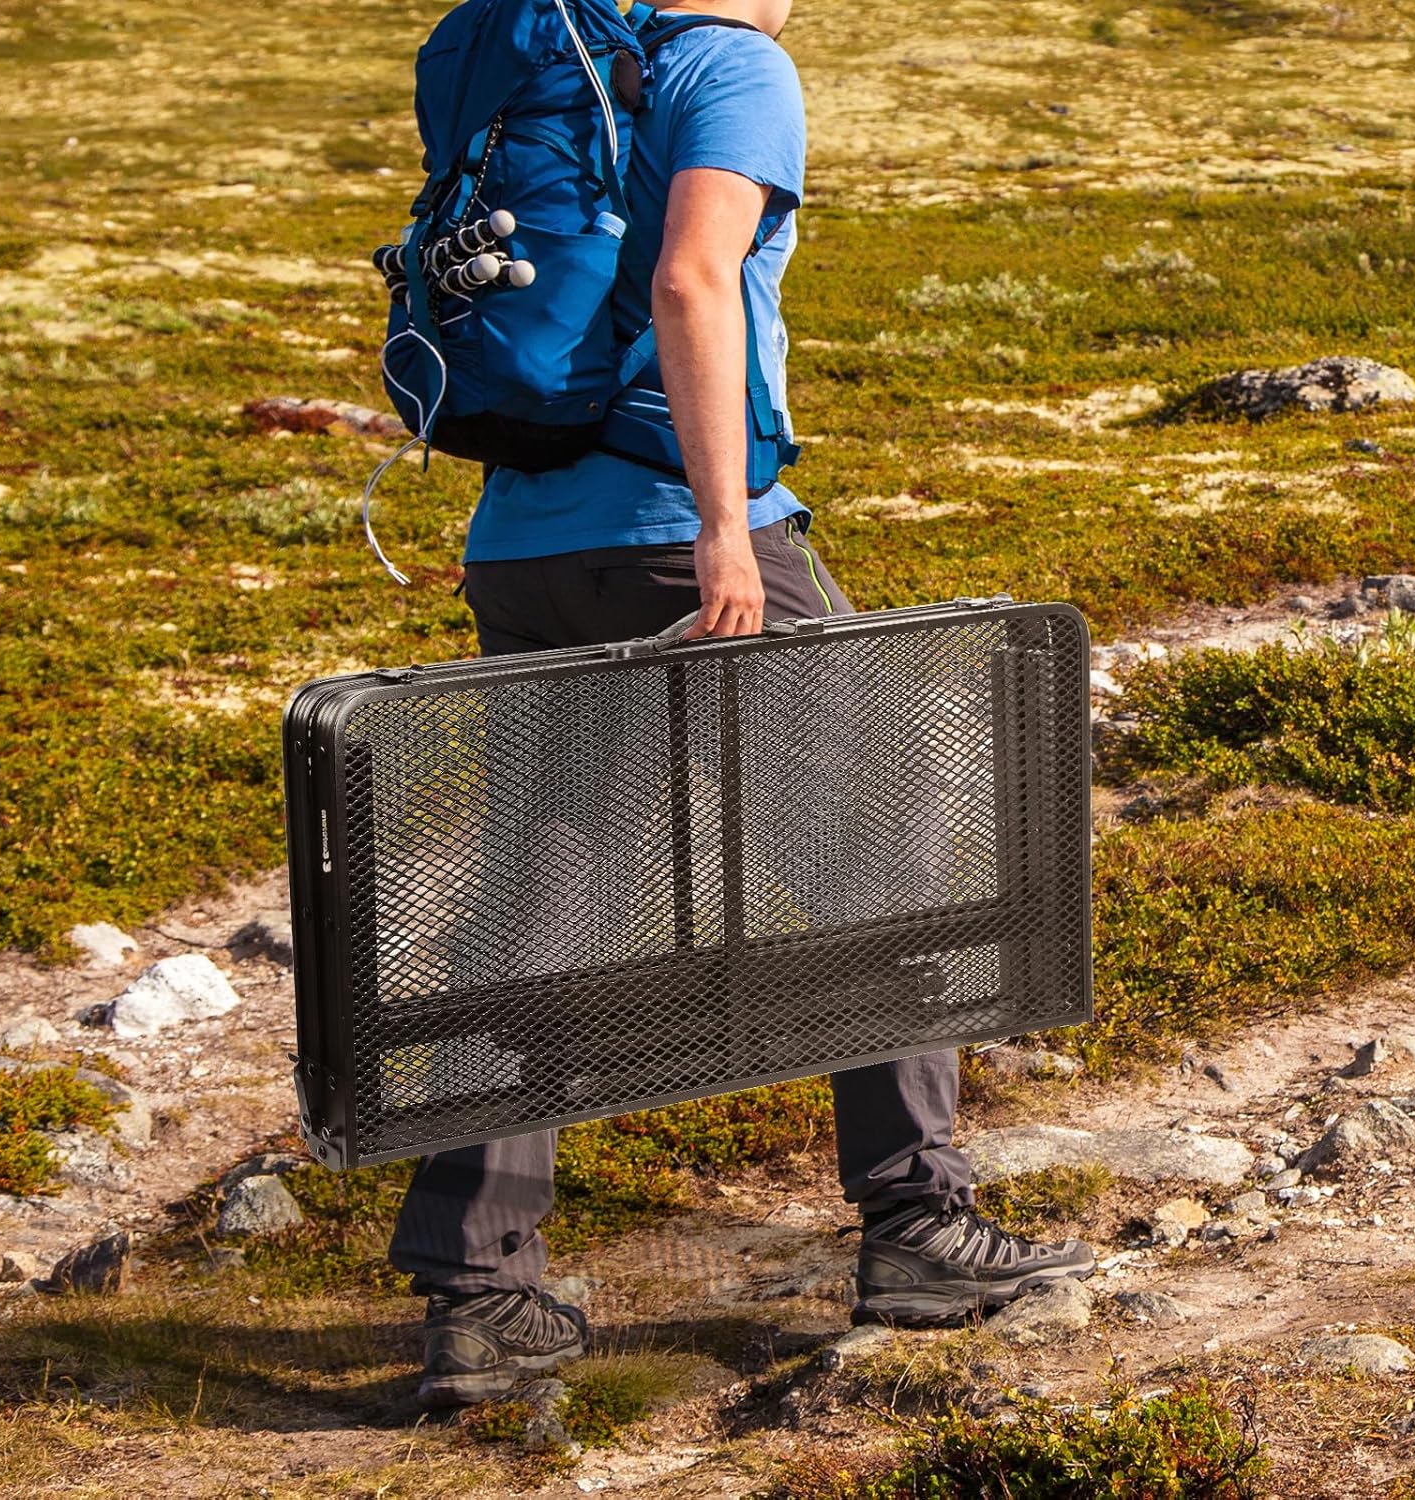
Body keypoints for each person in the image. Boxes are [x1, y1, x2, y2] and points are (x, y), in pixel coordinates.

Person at [388, 0, 1095, 1409]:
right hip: (685, 534)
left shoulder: (542, 61)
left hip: (523, 545)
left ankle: (480, 1295)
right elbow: (691, 280)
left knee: (539, 901)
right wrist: (723, 528)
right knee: (878, 862)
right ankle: (917, 1224)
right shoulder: (729, 63)